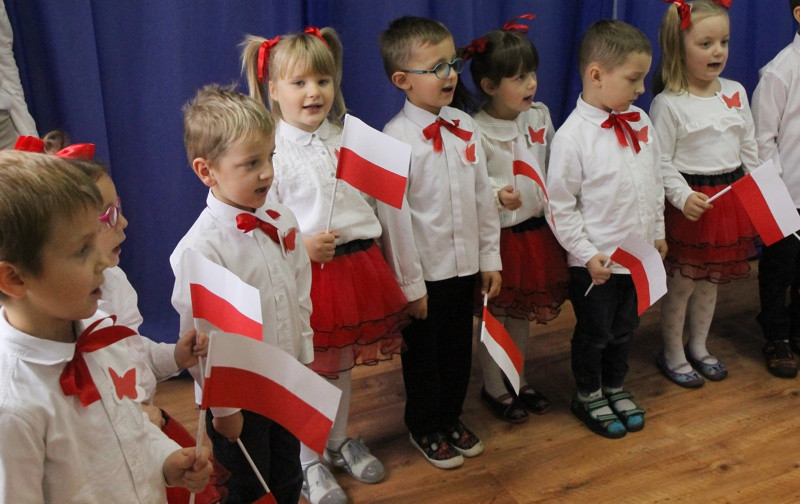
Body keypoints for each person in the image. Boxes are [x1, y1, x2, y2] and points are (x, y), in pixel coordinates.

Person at [241, 26, 408, 504]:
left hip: (355, 271)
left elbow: (373, 207)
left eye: (323, 80)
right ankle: (306, 458)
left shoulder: (348, 140)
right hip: (307, 279)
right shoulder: (270, 152)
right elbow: (257, 224)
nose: (314, 92)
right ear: (274, 90)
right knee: (309, 371)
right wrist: (301, 245)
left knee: (341, 368)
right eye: (299, 83)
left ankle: (336, 440)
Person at [0, 150, 212, 502]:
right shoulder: (13, 409)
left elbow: (128, 424)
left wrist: (164, 459)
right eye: (82, 250)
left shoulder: (102, 334)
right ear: (15, 279)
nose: (102, 261)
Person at [171, 85, 312, 504]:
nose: (267, 173)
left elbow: (299, 293)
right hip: (240, 399)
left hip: (283, 377)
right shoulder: (201, 250)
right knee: (247, 486)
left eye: (270, 157)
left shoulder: (282, 218)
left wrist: (302, 356)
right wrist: (225, 411)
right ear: (207, 171)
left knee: (287, 472)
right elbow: (203, 343)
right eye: (251, 163)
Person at [378, 16, 502, 468]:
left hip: (464, 267)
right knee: (424, 358)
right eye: (436, 68)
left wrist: (490, 259)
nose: (450, 75)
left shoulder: (465, 126)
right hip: (425, 276)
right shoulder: (393, 140)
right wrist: (412, 287)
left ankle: (450, 417)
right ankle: (424, 426)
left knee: (457, 351)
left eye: (452, 63)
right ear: (403, 80)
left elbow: (483, 199)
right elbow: (396, 225)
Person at [68, 156, 227, 504]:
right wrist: (131, 418)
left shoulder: (114, 280)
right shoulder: (69, 323)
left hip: (145, 437)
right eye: (108, 215)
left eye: (119, 208)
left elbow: (131, 353)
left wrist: (175, 356)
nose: (124, 222)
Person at [547, 20, 664, 439]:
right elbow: (559, 206)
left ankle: (614, 385)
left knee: (625, 328)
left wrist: (658, 232)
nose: (642, 89)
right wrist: (585, 253)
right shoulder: (572, 138)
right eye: (634, 79)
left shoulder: (641, 121)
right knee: (595, 332)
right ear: (597, 75)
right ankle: (588, 393)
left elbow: (654, 182)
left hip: (637, 256)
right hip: (596, 263)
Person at [461, 16, 568, 423]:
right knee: (497, 316)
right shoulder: (476, 129)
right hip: (500, 239)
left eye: (532, 74)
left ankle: (518, 379)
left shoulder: (538, 116)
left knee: (522, 313)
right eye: (519, 78)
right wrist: (496, 193)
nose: (531, 84)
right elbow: (473, 183)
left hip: (534, 236)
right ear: (490, 86)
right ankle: (494, 387)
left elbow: (553, 163)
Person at [651, 0, 759, 388]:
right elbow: (661, 163)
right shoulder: (668, 103)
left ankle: (698, 345)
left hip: (727, 201)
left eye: (724, 42)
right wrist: (682, 197)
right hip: (691, 206)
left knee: (711, 281)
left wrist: (763, 189)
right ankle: (672, 352)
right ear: (679, 47)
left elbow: (749, 150)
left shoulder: (735, 92)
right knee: (682, 285)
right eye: (706, 43)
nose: (718, 51)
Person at [751, 0, 800, 379]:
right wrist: (778, 195)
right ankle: (776, 334)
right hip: (788, 195)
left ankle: (795, 326)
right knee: (780, 267)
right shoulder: (780, 72)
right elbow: (762, 140)